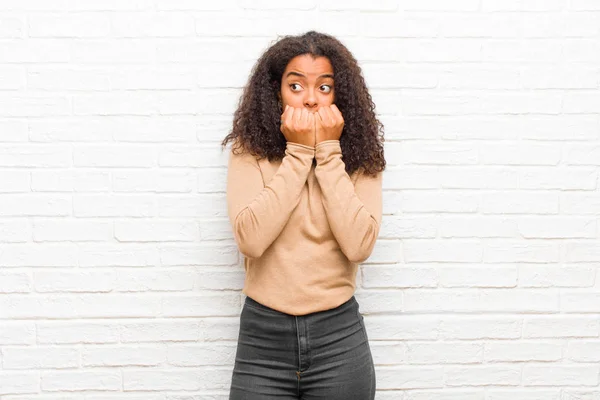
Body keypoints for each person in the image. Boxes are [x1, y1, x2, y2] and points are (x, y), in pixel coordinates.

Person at [221, 30, 386, 400]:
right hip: (262, 337)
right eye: (296, 86)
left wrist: (328, 151)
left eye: (324, 88)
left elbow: (359, 245)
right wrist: (298, 153)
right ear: (276, 93)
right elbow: (250, 239)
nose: (311, 99)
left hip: (338, 338)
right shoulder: (249, 151)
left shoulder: (361, 156)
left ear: (340, 94)